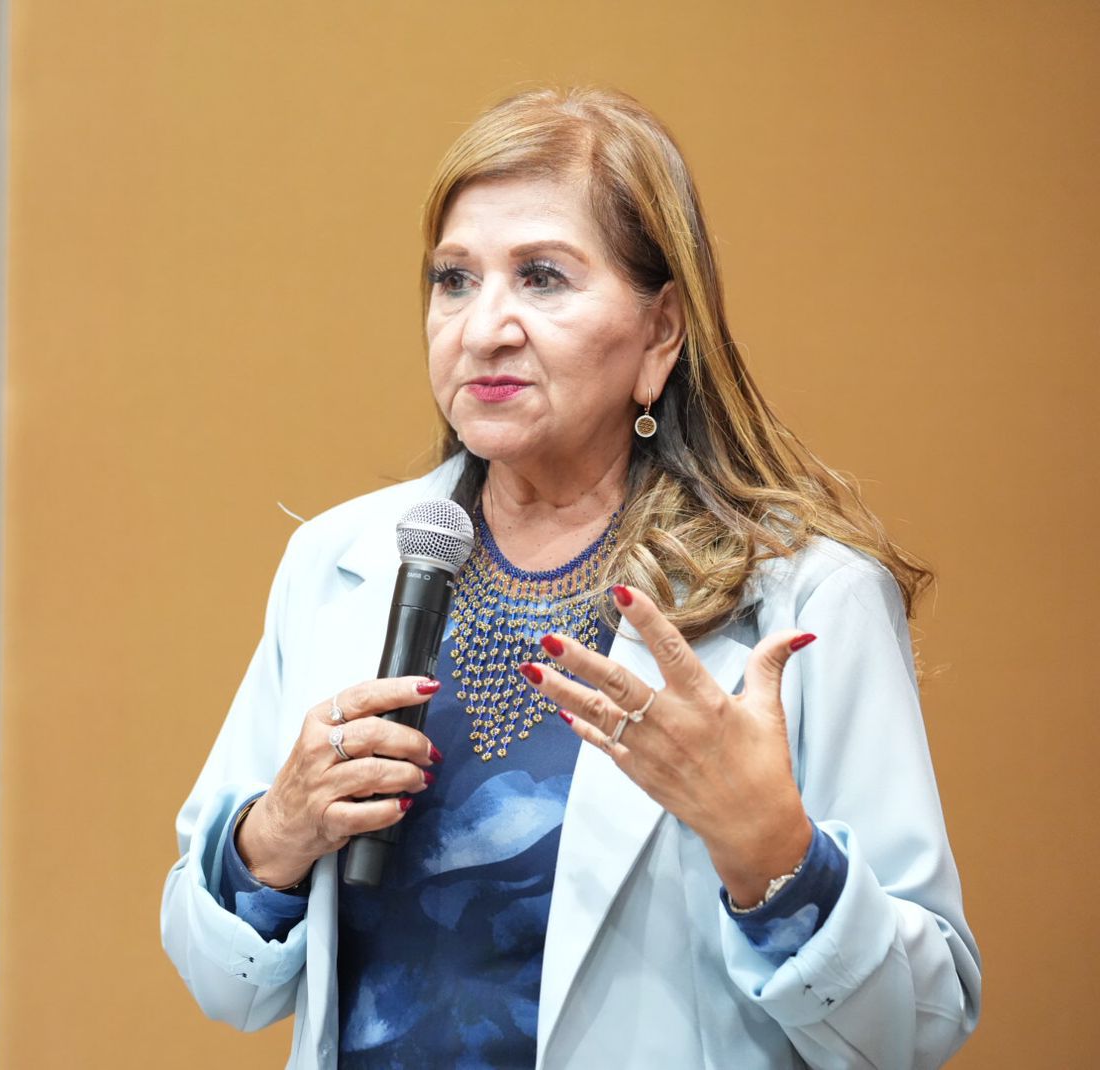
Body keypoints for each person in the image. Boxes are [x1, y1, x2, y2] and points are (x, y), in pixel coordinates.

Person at [160, 87, 981, 1069]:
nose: (483, 327)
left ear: (661, 331)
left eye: (542, 278)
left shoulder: (803, 598)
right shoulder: (341, 562)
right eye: (454, 280)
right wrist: (273, 837)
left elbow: (917, 1025)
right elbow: (223, 981)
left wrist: (773, 853)